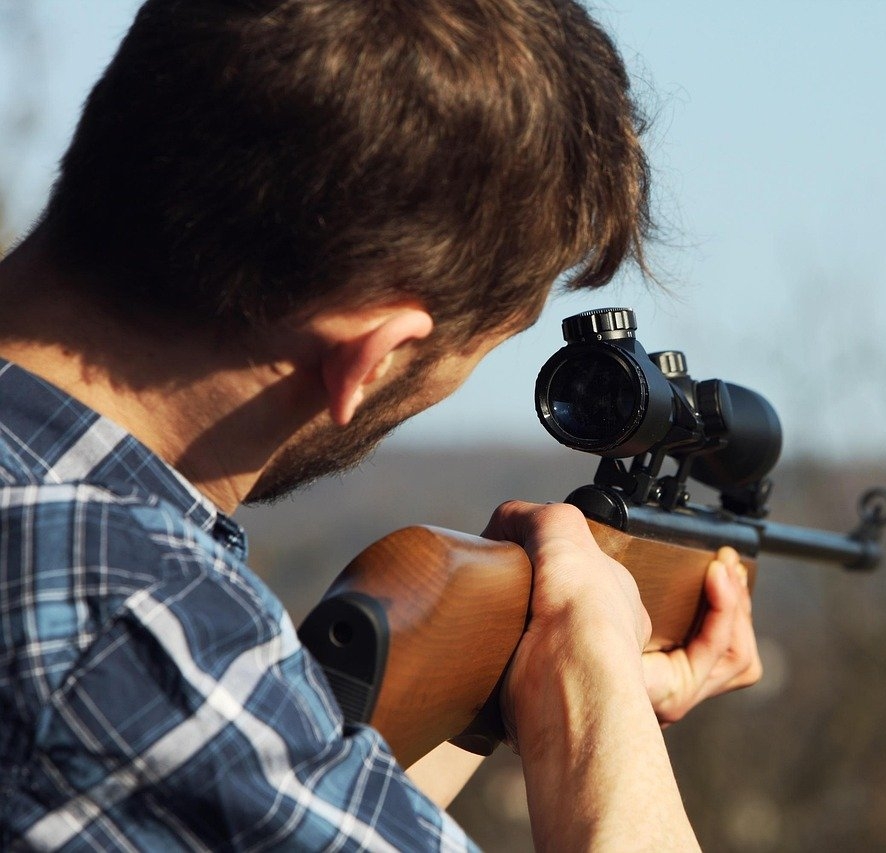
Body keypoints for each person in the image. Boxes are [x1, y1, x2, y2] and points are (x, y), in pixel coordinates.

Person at [0, 1, 763, 850]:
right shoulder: (123, 625)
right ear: (373, 354)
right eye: (483, 348)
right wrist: (597, 699)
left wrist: (510, 680)